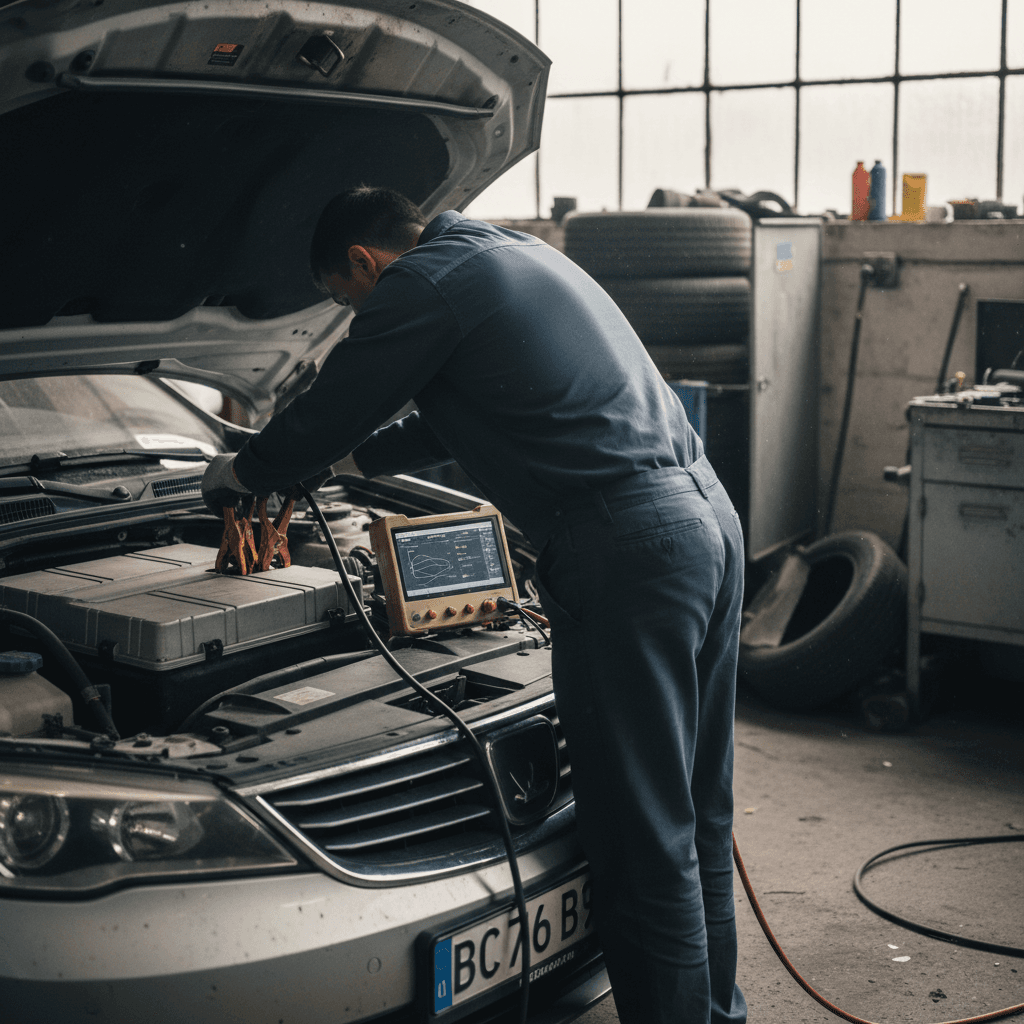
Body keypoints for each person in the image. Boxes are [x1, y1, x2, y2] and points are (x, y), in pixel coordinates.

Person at [202, 186, 747, 1024]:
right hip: (705, 515)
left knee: (642, 837)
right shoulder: (510, 255)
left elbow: (334, 405)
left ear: (364, 263)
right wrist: (347, 470)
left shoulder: (423, 283)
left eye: (350, 302)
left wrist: (239, 475)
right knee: (694, 810)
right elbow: (445, 413)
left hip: (630, 548)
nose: (357, 315)